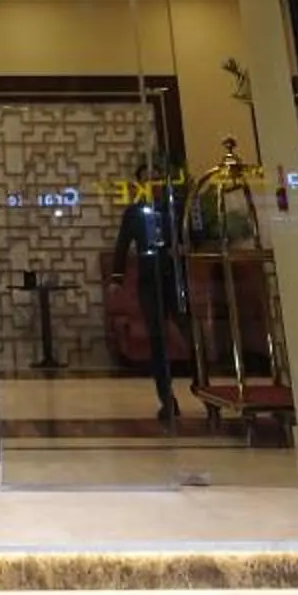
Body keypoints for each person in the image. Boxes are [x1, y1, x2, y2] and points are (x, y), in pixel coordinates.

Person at [112, 160, 182, 426]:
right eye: (147, 179)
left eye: (156, 178)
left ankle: (203, 387)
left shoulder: (175, 209)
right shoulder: (134, 213)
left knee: (186, 331)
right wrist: (116, 278)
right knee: (156, 337)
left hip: (175, 277)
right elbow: (122, 246)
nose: (152, 184)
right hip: (149, 280)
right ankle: (166, 398)